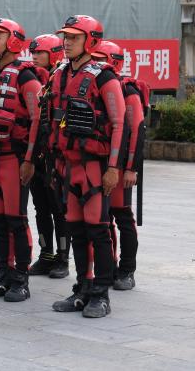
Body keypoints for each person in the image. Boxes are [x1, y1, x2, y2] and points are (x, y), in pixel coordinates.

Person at [49, 16, 125, 318]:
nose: (67, 42)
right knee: (76, 230)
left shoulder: (104, 77)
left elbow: (119, 124)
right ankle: (82, 288)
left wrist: (113, 168)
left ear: (90, 41)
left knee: (97, 229)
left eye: (74, 37)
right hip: (68, 165)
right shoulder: (59, 74)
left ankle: (101, 295)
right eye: (65, 37)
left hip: (94, 166)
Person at [0, 18, 42, 302]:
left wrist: (29, 160)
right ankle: (3, 274)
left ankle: (20, 279)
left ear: (13, 41)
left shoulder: (26, 77)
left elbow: (38, 119)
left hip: (13, 158)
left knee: (16, 219)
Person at [92, 40, 147, 292]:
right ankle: (110, 267)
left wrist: (131, 168)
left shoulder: (128, 90)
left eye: (100, 59)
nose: (95, 63)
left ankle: (127, 270)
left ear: (113, 62)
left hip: (121, 166)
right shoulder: (93, 86)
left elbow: (136, 129)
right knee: (104, 219)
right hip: (100, 163)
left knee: (122, 216)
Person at [27, 34, 70, 279]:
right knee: (40, 208)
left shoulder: (62, 79)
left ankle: (63, 258)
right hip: (38, 154)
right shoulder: (34, 79)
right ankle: (46, 255)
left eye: (39, 53)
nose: (34, 57)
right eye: (33, 52)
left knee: (59, 209)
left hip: (55, 156)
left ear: (53, 54)